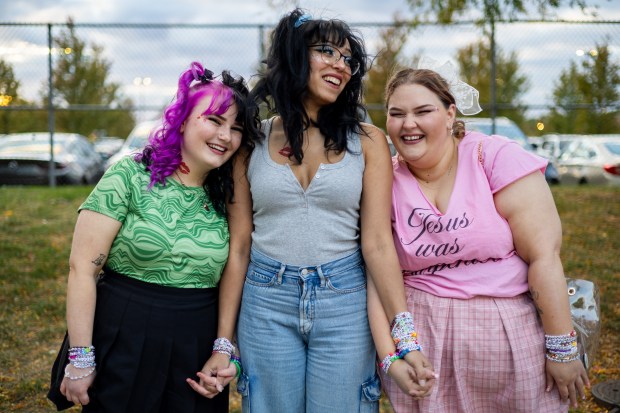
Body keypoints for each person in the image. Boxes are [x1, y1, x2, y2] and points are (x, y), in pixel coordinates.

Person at [189, 8, 436, 413]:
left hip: (345, 299)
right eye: (327, 51)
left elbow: (376, 243)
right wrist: (224, 343)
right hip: (266, 300)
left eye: (347, 58)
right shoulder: (252, 140)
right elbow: (239, 247)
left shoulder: (368, 140)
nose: (341, 65)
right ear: (294, 55)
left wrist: (404, 336)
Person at [377, 58, 590, 412]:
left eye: (423, 111)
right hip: (422, 343)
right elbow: (375, 270)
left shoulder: (492, 157)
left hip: (509, 335)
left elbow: (543, 256)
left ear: (450, 114)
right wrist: (391, 356)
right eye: (396, 113)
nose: (408, 124)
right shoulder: (385, 178)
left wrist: (561, 348)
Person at [58, 61, 260, 412]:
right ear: (182, 119)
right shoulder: (130, 173)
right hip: (124, 332)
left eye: (236, 128)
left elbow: (236, 266)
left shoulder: (229, 195)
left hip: (195, 342)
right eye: (213, 120)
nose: (225, 136)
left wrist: (224, 347)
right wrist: (81, 357)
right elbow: (82, 268)